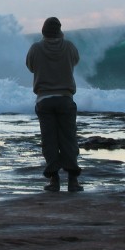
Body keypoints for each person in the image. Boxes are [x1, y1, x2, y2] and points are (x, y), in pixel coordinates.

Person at [26, 17, 82, 192]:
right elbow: (76, 61)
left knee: (49, 140)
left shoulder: (36, 48)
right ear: (59, 31)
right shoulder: (69, 46)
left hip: (44, 100)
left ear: (43, 32)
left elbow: (30, 66)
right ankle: (73, 180)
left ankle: (54, 180)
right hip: (65, 98)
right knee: (69, 139)